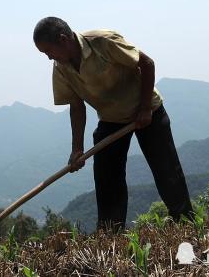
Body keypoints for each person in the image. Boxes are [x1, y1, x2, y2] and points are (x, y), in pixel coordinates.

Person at [33, 16, 194, 232]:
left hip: (147, 110)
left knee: (167, 172)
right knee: (107, 180)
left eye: (48, 51)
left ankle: (187, 226)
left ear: (63, 40)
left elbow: (147, 64)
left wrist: (145, 109)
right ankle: (110, 236)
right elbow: (76, 106)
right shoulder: (61, 67)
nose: (49, 57)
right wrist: (77, 149)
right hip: (111, 119)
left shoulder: (103, 42)